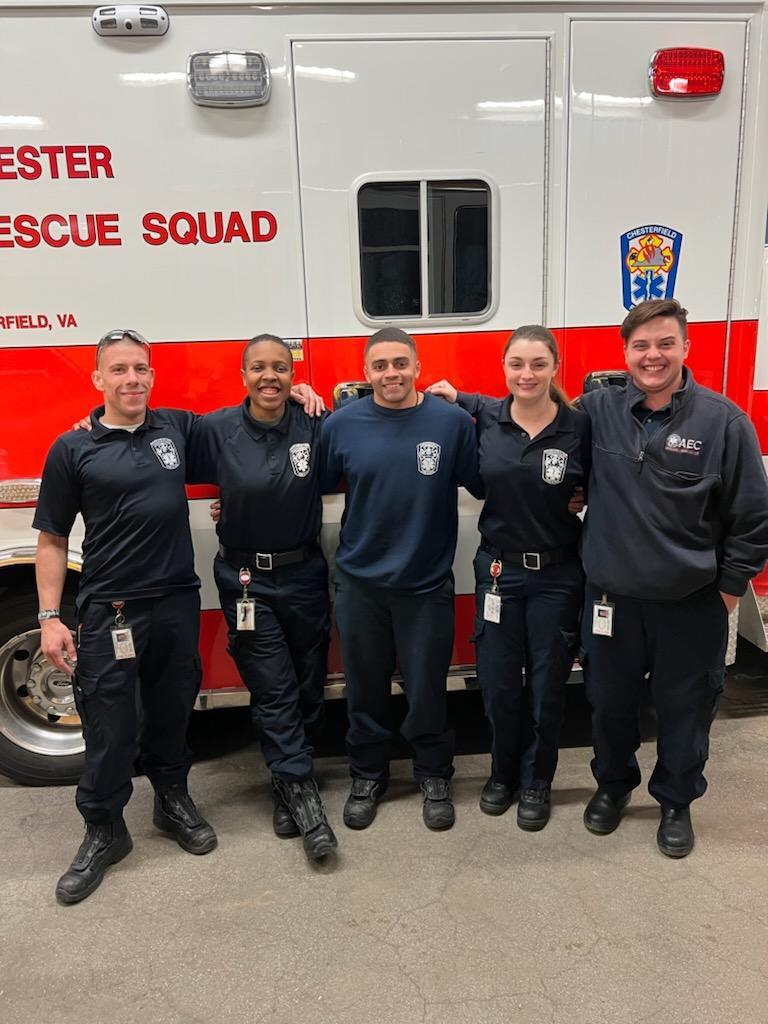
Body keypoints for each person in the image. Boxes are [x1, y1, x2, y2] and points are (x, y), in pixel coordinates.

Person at [578, 299, 768, 857]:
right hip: (611, 601)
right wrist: (460, 399)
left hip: (690, 605)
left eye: (665, 343)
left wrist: (728, 591)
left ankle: (676, 801)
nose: (652, 356)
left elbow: (754, 518)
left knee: (686, 711)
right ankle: (613, 786)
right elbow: (532, 414)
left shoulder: (723, 422)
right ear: (625, 353)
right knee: (609, 704)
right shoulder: (598, 409)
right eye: (640, 346)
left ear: (686, 347)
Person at [35, 329, 217, 906]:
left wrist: (303, 393)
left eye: (140, 368)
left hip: (176, 600)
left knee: (172, 708)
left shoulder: (176, 427)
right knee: (110, 723)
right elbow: (52, 538)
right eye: (118, 370)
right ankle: (104, 829)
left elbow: (245, 434)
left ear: (152, 375)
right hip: (112, 608)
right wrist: (49, 617)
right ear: (98, 380)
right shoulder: (73, 447)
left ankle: (171, 801)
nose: (131, 379)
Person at [320, 327, 482, 831]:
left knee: (427, 689)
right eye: (380, 365)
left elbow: (489, 479)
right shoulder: (341, 425)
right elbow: (309, 483)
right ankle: (368, 776)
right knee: (364, 689)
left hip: (425, 584)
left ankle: (434, 774)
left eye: (399, 363)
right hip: (359, 584)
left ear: (417, 367)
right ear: (366, 373)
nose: (391, 373)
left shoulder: (452, 423)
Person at [427, 326, 589, 830]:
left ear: (555, 367)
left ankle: (537, 780)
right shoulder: (487, 418)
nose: (527, 374)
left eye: (538, 364)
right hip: (499, 571)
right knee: (498, 683)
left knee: (547, 685)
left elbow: (610, 481)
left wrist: (585, 496)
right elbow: (459, 401)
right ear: (504, 368)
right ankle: (502, 774)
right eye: (517, 364)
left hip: (558, 574)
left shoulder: (580, 427)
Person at [187, 334, 337, 862]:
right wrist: (93, 420)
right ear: (243, 375)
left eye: (280, 367)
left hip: (305, 573)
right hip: (246, 580)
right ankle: (304, 797)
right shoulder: (216, 429)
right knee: (273, 688)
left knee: (308, 684)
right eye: (258, 367)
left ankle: (285, 781)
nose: (269, 376)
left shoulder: (316, 423)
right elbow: (151, 436)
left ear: (293, 375)